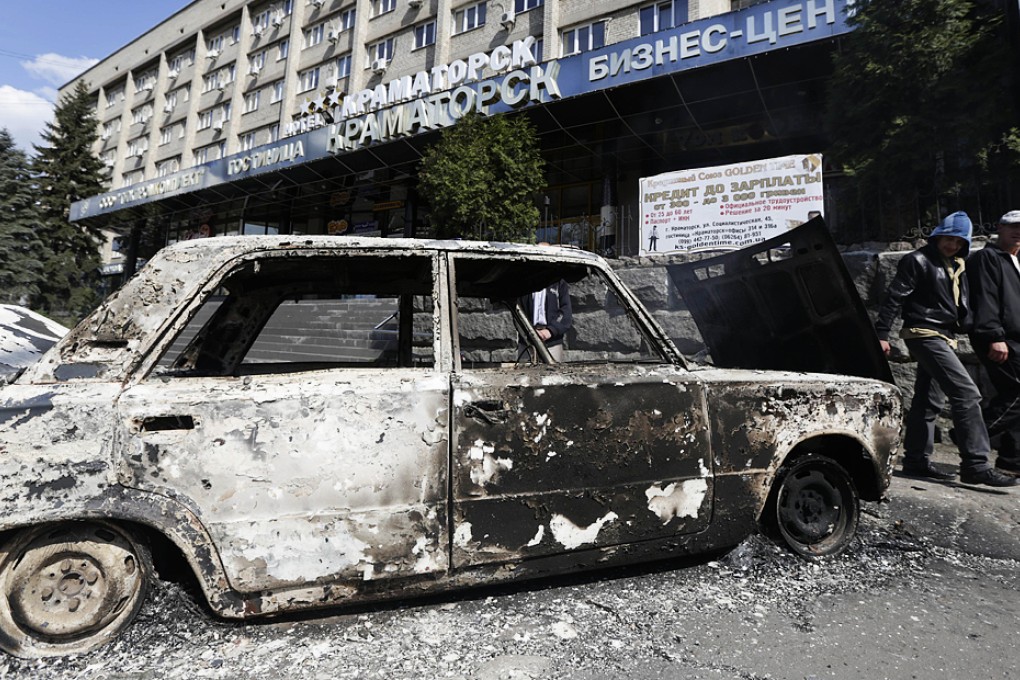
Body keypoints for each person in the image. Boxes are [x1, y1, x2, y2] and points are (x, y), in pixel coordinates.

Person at [875, 211, 1019, 487]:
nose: (951, 245)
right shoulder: (917, 260)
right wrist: (882, 333)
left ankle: (916, 459)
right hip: (923, 333)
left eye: (958, 241)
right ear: (937, 236)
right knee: (967, 394)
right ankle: (975, 464)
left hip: (945, 336)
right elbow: (895, 296)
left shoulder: (957, 264)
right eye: (947, 239)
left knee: (929, 400)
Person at [967, 210, 1020, 475]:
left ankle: (1012, 460)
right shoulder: (987, 257)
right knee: (1017, 392)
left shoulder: (1016, 259)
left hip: (1014, 337)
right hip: (1000, 338)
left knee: (1011, 395)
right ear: (999, 227)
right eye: (1012, 226)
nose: (1017, 231)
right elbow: (985, 297)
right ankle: (968, 435)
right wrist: (994, 336)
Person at [519, 279, 572, 362]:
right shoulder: (522, 283)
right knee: (523, 373)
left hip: (552, 342)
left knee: (553, 373)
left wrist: (550, 331)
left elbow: (566, 312)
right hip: (527, 343)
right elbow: (517, 312)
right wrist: (530, 334)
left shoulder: (558, 282)